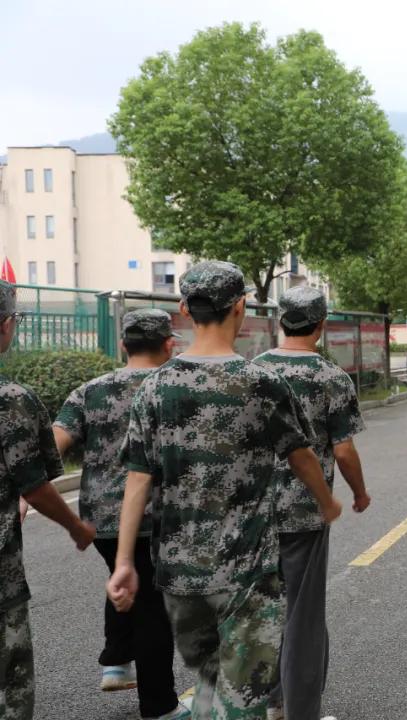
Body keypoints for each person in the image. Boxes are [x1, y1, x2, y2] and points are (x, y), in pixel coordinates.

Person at [107, 261, 343, 718]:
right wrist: (327, 501)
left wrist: (123, 563)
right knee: (242, 697)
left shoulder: (155, 387)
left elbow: (138, 479)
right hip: (246, 574)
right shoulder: (262, 383)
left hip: (180, 577)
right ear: (240, 307)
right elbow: (300, 456)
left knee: (211, 682)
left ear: (183, 310)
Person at [52, 309, 188, 720]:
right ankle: (160, 705)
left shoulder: (89, 391)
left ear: (123, 344)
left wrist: (26, 493)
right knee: (153, 607)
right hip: (156, 516)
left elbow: (54, 444)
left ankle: (116, 660)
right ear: (169, 344)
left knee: (124, 575)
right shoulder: (175, 388)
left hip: (100, 518)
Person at [254, 286, 371, 719]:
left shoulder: (252, 370)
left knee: (261, 610)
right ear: (321, 324)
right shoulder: (331, 377)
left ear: (279, 320)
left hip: (251, 516)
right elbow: (343, 450)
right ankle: (301, 711)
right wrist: (358, 493)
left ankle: (272, 702)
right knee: (302, 616)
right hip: (304, 511)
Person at [0, 280, 97, 720]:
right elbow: (34, 486)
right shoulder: (11, 401)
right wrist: (76, 527)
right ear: (5, 325)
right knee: (11, 685)